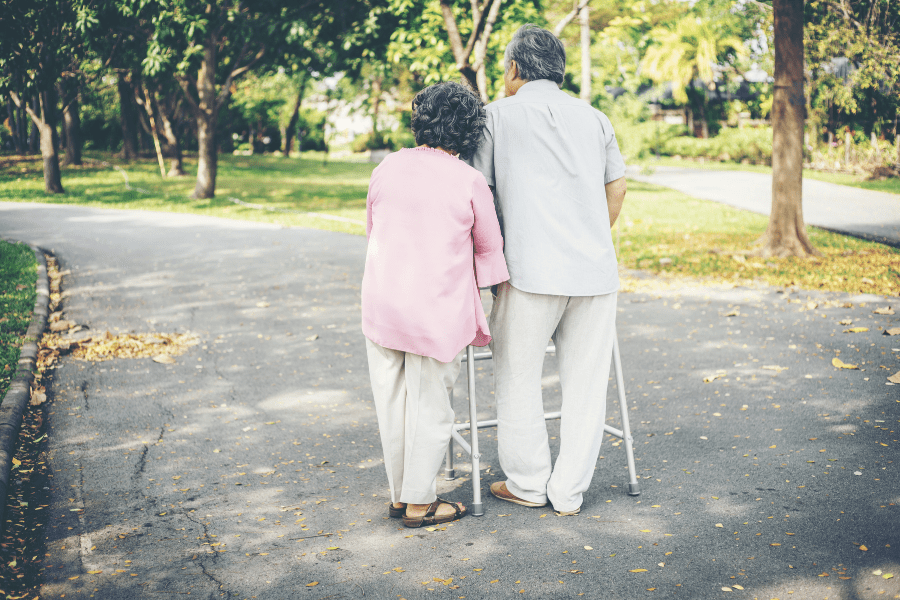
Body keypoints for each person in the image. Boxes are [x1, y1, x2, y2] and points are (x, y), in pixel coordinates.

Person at [467, 24, 627, 516]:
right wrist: (590, 236)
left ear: (514, 69)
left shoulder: (496, 116)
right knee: (585, 383)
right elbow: (616, 189)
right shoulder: (595, 117)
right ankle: (569, 491)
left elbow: (477, 193)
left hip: (528, 271)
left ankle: (530, 482)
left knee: (518, 377)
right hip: (594, 273)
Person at [361, 81, 510, 528]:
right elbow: (489, 248)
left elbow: (373, 226)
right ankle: (421, 503)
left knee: (393, 404)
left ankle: (401, 495)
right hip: (434, 311)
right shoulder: (468, 179)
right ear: (469, 131)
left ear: (420, 120)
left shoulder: (387, 166)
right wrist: (497, 290)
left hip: (383, 304)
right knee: (430, 406)